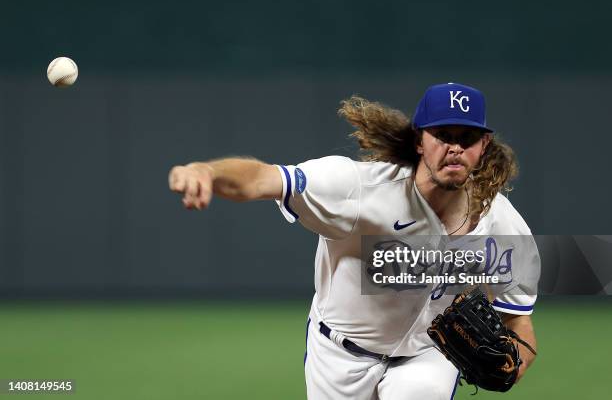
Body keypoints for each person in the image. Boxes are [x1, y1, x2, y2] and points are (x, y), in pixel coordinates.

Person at [168, 83, 538, 399]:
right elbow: (264, 179)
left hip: (426, 357)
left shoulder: (502, 224)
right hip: (339, 354)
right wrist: (208, 172)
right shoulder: (360, 189)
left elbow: (519, 325)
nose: (455, 147)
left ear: (484, 145)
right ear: (419, 141)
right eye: (443, 135)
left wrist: (510, 366)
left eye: (467, 137)